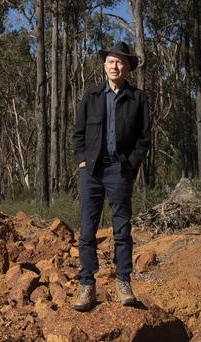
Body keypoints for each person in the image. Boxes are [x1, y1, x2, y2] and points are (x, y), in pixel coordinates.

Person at [71, 41, 151, 311]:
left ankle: (123, 283)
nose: (114, 66)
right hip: (91, 171)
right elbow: (78, 134)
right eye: (110, 61)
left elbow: (144, 137)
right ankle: (86, 285)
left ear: (127, 67)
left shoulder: (138, 98)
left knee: (122, 230)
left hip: (120, 170)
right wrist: (81, 161)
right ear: (104, 66)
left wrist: (131, 163)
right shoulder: (91, 97)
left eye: (119, 62)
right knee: (87, 230)